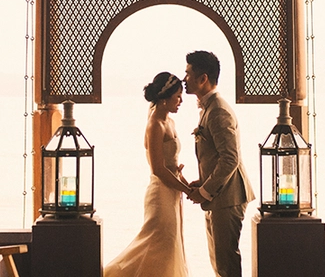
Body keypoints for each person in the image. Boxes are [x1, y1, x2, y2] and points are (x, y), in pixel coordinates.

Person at [104, 72, 191, 277]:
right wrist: (187, 190)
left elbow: (172, 165)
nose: (181, 101)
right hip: (160, 193)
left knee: (169, 245)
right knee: (156, 242)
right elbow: (158, 169)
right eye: (178, 96)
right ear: (165, 98)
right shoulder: (155, 124)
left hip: (173, 192)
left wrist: (186, 185)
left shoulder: (170, 122)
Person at [183, 50, 254, 277]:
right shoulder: (209, 108)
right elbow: (216, 155)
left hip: (228, 197)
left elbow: (230, 158)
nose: (184, 79)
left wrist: (205, 191)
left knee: (226, 262)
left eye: (188, 74)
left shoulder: (218, 111)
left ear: (203, 78)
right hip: (219, 196)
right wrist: (202, 181)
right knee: (218, 261)